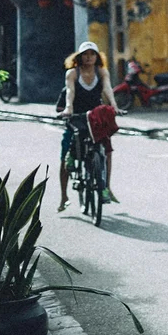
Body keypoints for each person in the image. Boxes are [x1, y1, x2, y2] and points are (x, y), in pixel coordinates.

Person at [57, 41, 121, 211]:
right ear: (79, 57)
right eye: (85, 54)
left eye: (92, 54)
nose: (89, 57)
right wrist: (69, 108)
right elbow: (70, 91)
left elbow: (107, 88)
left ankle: (106, 187)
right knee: (65, 157)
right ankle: (64, 196)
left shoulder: (101, 72)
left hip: (95, 118)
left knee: (106, 150)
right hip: (76, 116)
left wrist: (114, 105)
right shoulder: (72, 73)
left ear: (97, 57)